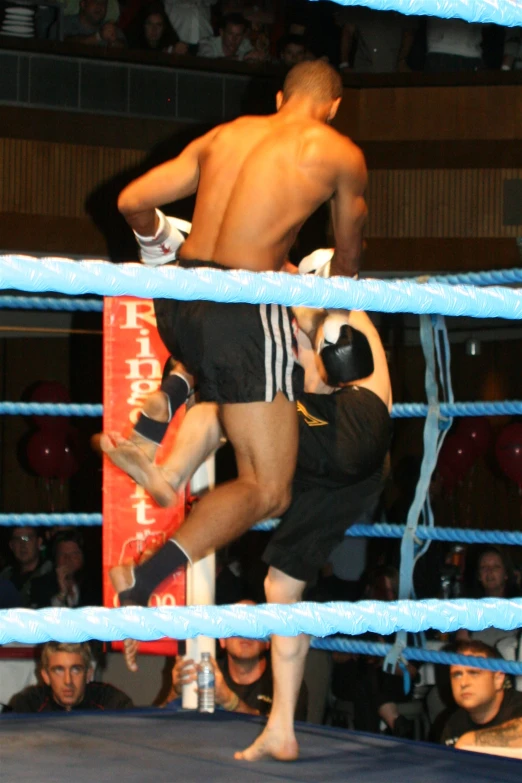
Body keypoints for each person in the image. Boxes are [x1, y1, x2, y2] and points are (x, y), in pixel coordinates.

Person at [108, 60, 367, 759]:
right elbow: (347, 252)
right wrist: (333, 318)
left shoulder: (224, 134)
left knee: (225, 410)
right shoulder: (338, 152)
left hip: (181, 300)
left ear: (280, 98)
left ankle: (157, 438)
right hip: (244, 304)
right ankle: (145, 575)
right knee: (270, 485)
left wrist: (157, 247)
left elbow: (133, 200)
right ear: (333, 107)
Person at [163, 600, 308, 719]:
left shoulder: (288, 682)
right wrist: (175, 693)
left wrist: (230, 702)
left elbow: (286, 737)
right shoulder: (206, 673)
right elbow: (159, 727)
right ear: (222, 640)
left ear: (267, 641)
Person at [439, 640, 522, 751]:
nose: (463, 683)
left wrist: (470, 741)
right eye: (457, 675)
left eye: (474, 673)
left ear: (498, 679)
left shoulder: (518, 706)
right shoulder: (453, 724)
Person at [9, 642, 133, 712]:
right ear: (46, 676)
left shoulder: (113, 704)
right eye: (59, 670)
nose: (68, 681)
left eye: (76, 670)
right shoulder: (27, 706)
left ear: (89, 674)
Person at [0, 527, 53, 608]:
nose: (22, 544)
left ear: (39, 542)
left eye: (27, 538)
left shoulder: (51, 576)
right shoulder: (5, 577)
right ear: (11, 545)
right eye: (17, 539)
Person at [50, 0, 125, 47]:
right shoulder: (63, 25)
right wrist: (98, 37)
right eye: (95, 1)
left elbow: (126, 54)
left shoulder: (112, 29)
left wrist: (113, 41)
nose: (100, 6)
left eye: (103, 3)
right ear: (83, 4)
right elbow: (63, 46)